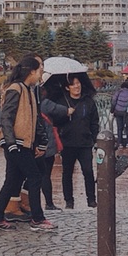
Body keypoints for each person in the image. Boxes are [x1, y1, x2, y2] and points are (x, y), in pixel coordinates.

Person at [0, 54, 57, 232]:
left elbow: (35, 120)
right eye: (39, 69)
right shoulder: (16, 89)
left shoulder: (29, 90)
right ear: (31, 71)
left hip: (23, 143)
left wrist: (40, 142)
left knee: (12, 181)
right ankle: (37, 218)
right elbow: (7, 117)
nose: (41, 72)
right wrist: (10, 143)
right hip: (16, 143)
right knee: (34, 177)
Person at [46, 72, 100, 208]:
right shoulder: (61, 102)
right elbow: (55, 121)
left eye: (78, 83)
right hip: (67, 143)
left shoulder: (88, 102)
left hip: (85, 143)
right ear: (67, 87)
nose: (77, 86)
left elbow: (94, 121)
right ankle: (69, 201)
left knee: (88, 171)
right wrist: (66, 113)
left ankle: (91, 199)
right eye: (73, 84)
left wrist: (94, 138)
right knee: (67, 172)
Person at [111, 76, 128, 146]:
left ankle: (120, 142)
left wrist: (112, 110)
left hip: (118, 112)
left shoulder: (118, 92)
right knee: (127, 127)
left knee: (119, 128)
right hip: (126, 112)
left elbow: (113, 101)